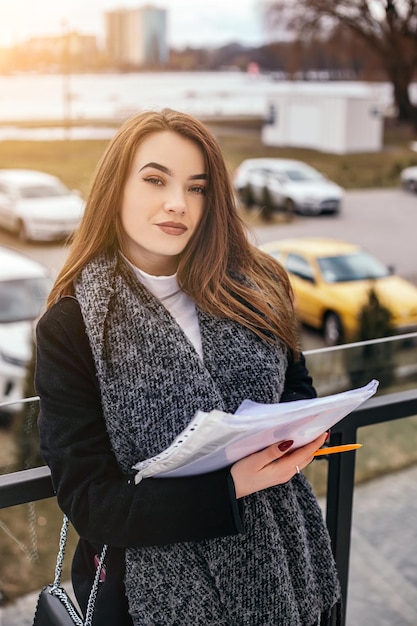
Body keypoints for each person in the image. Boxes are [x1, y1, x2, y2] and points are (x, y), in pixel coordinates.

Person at [35, 108, 341, 626]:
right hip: (152, 597)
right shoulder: (73, 326)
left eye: (197, 187)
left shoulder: (256, 284)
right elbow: (91, 501)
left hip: (294, 576)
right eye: (155, 179)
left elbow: (295, 383)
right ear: (117, 186)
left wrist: (295, 432)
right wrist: (232, 486)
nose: (177, 203)